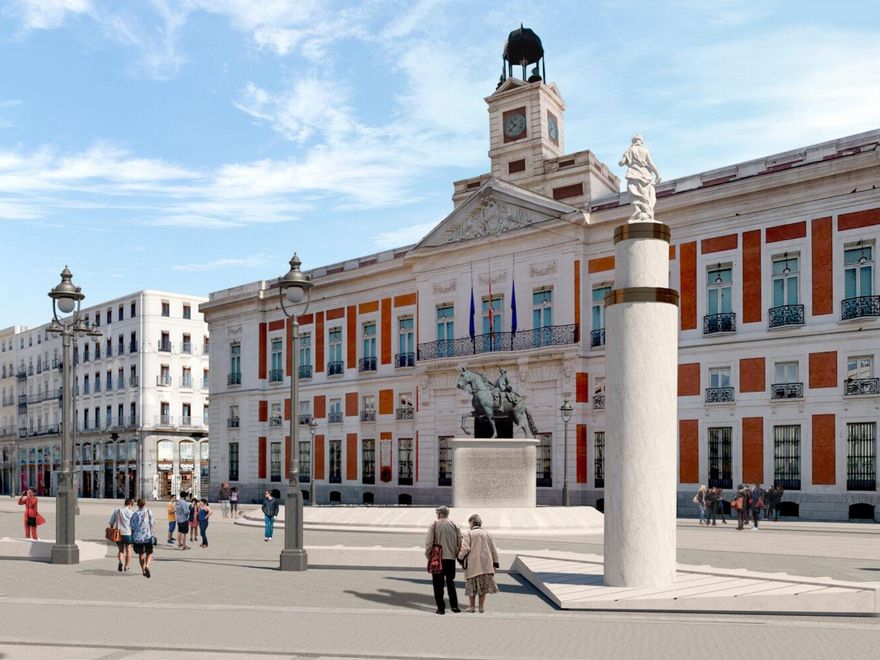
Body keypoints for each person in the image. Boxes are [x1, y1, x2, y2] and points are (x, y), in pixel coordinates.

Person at [457, 514, 499, 613]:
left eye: (469, 523)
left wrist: (460, 557)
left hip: (473, 565)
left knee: (472, 586)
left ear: (472, 523)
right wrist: (495, 562)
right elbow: (493, 549)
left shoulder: (469, 534)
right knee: (482, 586)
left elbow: (465, 548)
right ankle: (481, 607)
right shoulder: (487, 533)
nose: (469, 525)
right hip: (486, 565)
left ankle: (472, 607)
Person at [424, 505, 462, 615]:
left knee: (438, 585)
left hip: (438, 559)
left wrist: (428, 555)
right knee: (451, 583)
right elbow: (460, 542)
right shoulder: (454, 524)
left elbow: (429, 542)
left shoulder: (434, 524)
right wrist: (457, 554)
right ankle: (454, 607)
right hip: (450, 558)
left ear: (439, 513)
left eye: (437, 513)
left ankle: (441, 609)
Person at [618, 133, 662, 222]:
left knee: (634, 194)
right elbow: (651, 164)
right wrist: (658, 174)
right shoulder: (645, 151)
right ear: (641, 142)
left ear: (633, 141)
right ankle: (646, 212)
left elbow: (621, 163)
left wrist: (624, 160)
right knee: (646, 196)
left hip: (633, 174)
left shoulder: (629, 150)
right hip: (645, 175)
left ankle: (638, 209)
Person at [130, 497, 156, 579]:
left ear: (137, 505)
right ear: (144, 504)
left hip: (137, 537)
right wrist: (151, 533)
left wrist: (132, 538)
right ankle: (147, 566)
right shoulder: (148, 512)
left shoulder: (134, 514)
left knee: (141, 554)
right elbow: (152, 524)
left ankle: (143, 570)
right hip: (147, 536)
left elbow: (132, 527)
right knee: (149, 553)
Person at [109, 498, 135, 572]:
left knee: (121, 550)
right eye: (132, 505)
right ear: (130, 505)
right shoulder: (131, 513)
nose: (131, 507)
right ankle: (126, 566)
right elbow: (134, 524)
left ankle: (120, 561)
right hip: (127, 533)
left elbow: (111, 522)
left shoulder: (117, 511)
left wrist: (113, 529)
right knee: (128, 550)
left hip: (118, 533)